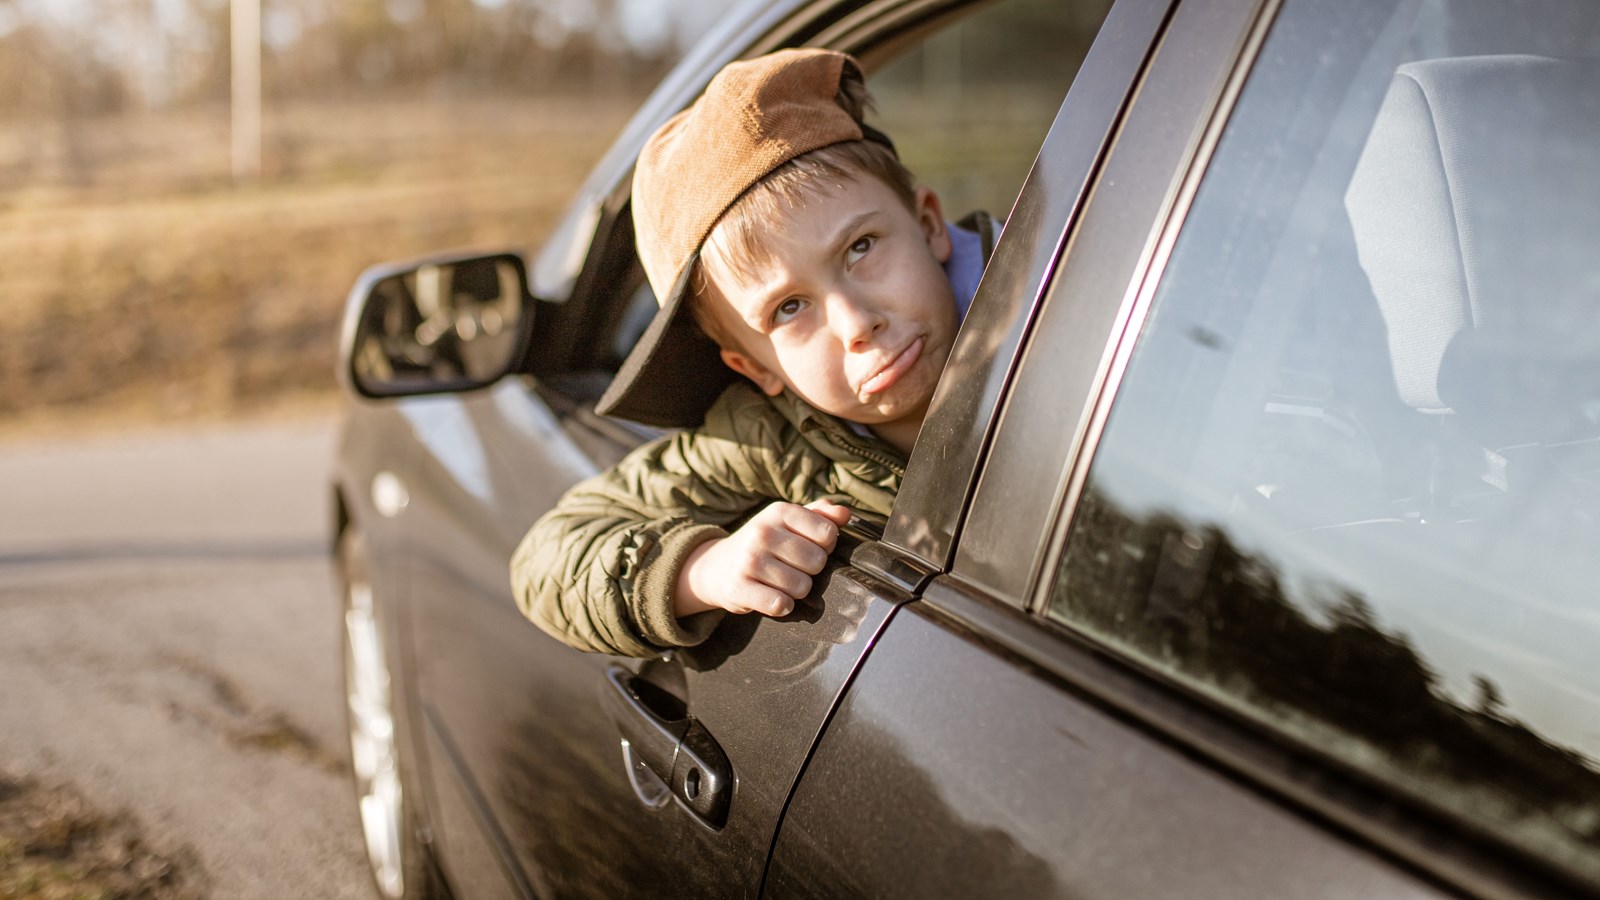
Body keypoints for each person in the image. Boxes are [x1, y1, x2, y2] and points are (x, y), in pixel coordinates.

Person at [510, 48, 997, 658]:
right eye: (789, 309)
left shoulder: (1070, 299)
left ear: (928, 223)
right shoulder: (763, 436)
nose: (856, 323)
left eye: (861, 246)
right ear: (754, 367)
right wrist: (702, 570)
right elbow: (549, 556)